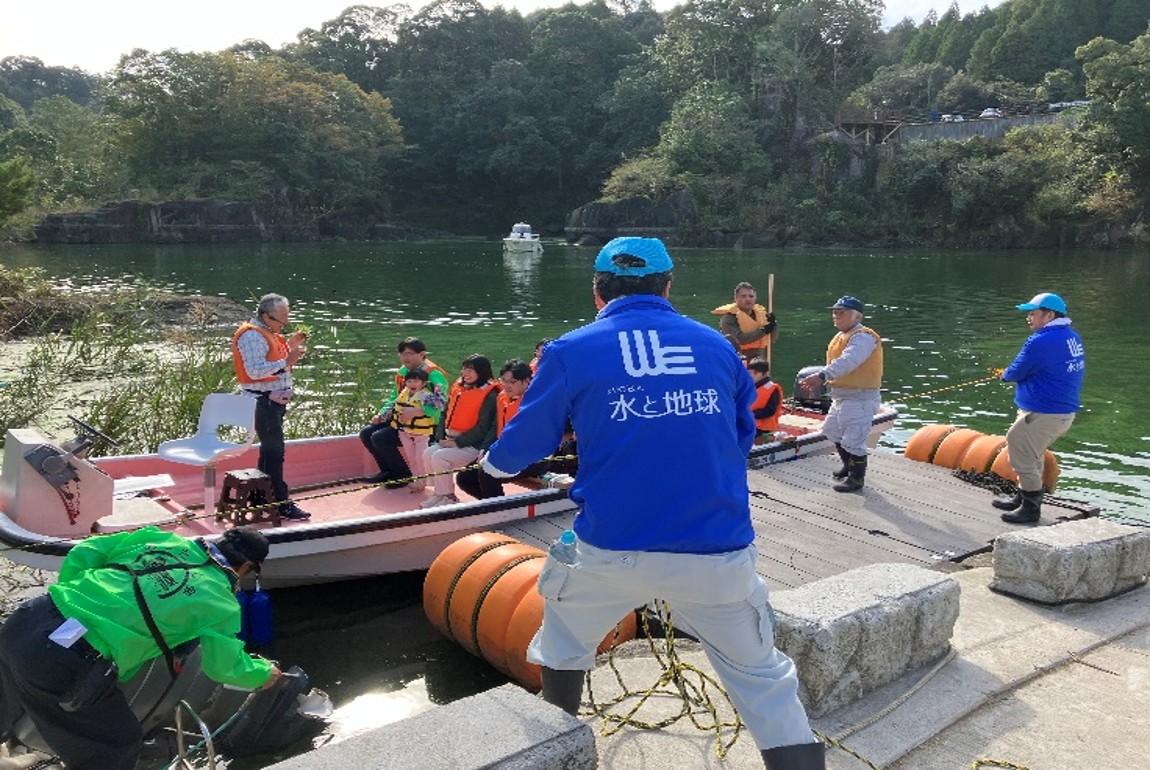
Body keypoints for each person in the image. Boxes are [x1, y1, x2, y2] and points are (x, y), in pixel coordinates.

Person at [482, 237, 826, 769]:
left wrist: (489, 468)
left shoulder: (569, 350)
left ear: (598, 291)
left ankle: (563, 750)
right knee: (765, 684)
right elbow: (739, 437)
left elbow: (522, 447)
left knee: (563, 643)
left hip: (610, 547)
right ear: (668, 286)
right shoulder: (716, 347)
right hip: (717, 550)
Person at [0, 527, 280, 770]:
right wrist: (264, 674)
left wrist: (75, 605)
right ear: (248, 568)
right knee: (117, 744)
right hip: (64, 655)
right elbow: (224, 667)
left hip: (30, 616)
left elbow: (85, 552)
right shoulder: (220, 602)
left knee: (5, 703)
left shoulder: (161, 540)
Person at [993, 292, 1085, 523]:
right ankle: (1024, 497)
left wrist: (1005, 375)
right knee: (1032, 454)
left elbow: (1017, 370)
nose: (1029, 318)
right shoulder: (1071, 336)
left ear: (1049, 315)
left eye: (1033, 313)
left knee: (1020, 450)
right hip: (1061, 412)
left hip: (1044, 413)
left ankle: (1031, 509)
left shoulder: (1041, 340)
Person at [232, 293, 311, 520]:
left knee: (269, 452)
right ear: (266, 316)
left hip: (272, 401)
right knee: (274, 453)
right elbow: (255, 371)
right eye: (280, 320)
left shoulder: (268, 332)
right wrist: (288, 360)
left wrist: (291, 346)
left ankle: (262, 496)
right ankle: (280, 504)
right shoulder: (252, 336)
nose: (284, 324)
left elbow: (270, 358)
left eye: (286, 318)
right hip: (262, 401)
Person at [799, 295, 883, 493]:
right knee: (833, 431)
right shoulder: (841, 336)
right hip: (841, 395)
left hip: (860, 396)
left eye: (841, 312)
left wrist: (821, 375)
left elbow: (848, 361)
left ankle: (857, 478)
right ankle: (848, 466)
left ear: (857, 316)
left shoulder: (863, 337)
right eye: (835, 312)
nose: (836, 316)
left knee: (854, 439)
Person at [359, 337, 450, 487]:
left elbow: (441, 404)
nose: (405, 357)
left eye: (410, 354)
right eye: (402, 353)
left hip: (428, 425)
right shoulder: (403, 373)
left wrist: (417, 411)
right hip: (404, 419)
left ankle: (402, 475)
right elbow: (395, 398)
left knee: (380, 438)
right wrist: (381, 415)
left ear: (421, 354)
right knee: (366, 433)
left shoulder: (434, 376)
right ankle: (389, 471)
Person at [456, 359, 551, 499]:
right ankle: (495, 506)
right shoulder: (502, 397)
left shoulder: (535, 403)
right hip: (504, 452)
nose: (506, 386)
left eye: (512, 382)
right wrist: (486, 449)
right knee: (464, 478)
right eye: (504, 380)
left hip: (533, 458)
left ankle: (498, 511)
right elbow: (497, 428)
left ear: (526, 381)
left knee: (487, 474)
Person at [419, 354, 500, 508]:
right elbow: (444, 413)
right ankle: (440, 493)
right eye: (464, 369)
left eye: (471, 370)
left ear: (482, 372)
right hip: (451, 440)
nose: (465, 374)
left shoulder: (490, 395)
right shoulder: (459, 388)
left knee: (440, 457)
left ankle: (448, 497)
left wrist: (456, 442)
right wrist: (440, 436)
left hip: (473, 445)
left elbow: (483, 429)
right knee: (428, 453)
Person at [389, 367, 447, 493]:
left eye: (416, 381)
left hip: (421, 434)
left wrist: (438, 391)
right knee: (411, 458)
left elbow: (440, 405)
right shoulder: (404, 393)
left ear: (424, 383)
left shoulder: (424, 395)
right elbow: (394, 406)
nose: (412, 384)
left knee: (420, 458)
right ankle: (417, 480)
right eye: (409, 381)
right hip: (405, 432)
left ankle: (422, 482)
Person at [712, 282, 778, 362]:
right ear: (736, 298)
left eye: (751, 296)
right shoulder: (729, 318)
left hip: (758, 359)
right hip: (736, 358)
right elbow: (739, 339)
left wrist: (773, 325)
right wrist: (763, 330)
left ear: (755, 298)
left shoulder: (761, 315)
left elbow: (772, 338)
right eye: (743, 296)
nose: (748, 299)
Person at [747, 359, 784, 443]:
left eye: (756, 373)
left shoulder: (771, 388)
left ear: (765, 373)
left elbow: (770, 410)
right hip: (751, 426)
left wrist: (750, 414)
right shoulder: (752, 387)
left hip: (764, 430)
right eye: (749, 373)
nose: (752, 376)